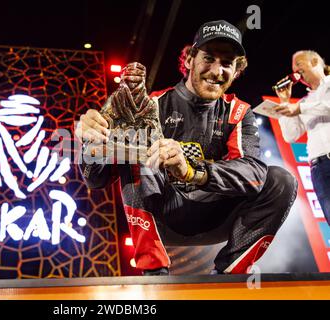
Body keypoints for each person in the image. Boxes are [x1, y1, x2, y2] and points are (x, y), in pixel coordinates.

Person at [75, 20, 297, 275]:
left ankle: (229, 276)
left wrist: (192, 172)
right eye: (209, 58)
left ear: (237, 71)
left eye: (227, 63)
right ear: (189, 59)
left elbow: (255, 174)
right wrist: (92, 143)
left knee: (282, 180)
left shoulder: (239, 111)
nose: (216, 71)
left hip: (217, 218)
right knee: (139, 155)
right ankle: (153, 272)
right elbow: (96, 179)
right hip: (162, 215)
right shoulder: (151, 105)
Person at [274, 50, 330, 225]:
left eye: (299, 64)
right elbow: (291, 135)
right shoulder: (303, 102)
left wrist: (299, 110)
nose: (295, 70)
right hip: (319, 168)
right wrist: (285, 102)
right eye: (293, 67)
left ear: (314, 61)